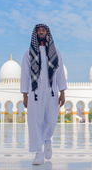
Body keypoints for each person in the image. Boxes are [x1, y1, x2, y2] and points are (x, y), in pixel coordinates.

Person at [21, 24, 67, 165]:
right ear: (35, 34)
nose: (41, 32)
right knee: (34, 120)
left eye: (43, 30)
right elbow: (25, 75)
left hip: (51, 91)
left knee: (51, 119)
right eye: (38, 30)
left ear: (47, 33)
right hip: (35, 91)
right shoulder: (28, 53)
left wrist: (62, 92)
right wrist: (25, 95)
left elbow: (59, 74)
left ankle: (47, 140)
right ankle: (38, 152)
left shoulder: (55, 53)